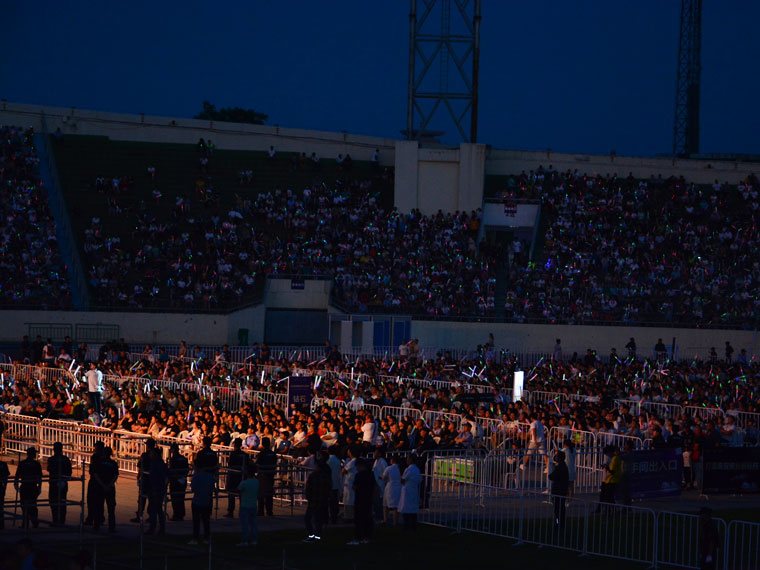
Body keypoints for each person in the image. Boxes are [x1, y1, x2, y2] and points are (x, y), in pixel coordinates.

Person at [303, 450, 331, 543]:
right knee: (318, 519)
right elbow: (328, 487)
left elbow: (308, 488)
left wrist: (308, 497)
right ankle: (318, 536)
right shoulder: (326, 476)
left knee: (308, 518)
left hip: (313, 500)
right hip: (322, 499)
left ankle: (311, 535)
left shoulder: (313, 476)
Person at [348, 458, 375, 545]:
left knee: (359, 519)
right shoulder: (370, 474)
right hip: (368, 498)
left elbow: (355, 487)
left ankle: (358, 537)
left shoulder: (359, 475)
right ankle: (367, 537)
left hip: (360, 499)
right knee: (367, 518)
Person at [15, 447, 43, 529]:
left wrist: (15, 484)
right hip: (32, 486)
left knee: (24, 506)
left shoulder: (22, 463)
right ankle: (34, 522)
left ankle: (26, 523)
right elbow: (39, 477)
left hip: (25, 486)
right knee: (32, 505)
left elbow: (17, 475)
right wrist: (39, 487)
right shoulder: (36, 464)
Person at [93, 447, 118, 533]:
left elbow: (95, 474)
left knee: (98, 507)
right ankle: (111, 526)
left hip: (100, 487)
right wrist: (109, 485)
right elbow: (115, 476)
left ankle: (96, 525)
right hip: (110, 488)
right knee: (111, 508)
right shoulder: (113, 463)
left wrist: (102, 485)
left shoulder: (99, 462)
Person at [47, 441, 73, 525]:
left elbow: (49, 469)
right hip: (63, 482)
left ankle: (55, 520)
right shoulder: (66, 459)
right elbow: (69, 472)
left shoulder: (51, 459)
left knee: (53, 501)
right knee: (62, 501)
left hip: (54, 482)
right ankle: (62, 520)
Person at [131, 438, 156, 523]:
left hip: (145, 478)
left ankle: (140, 515)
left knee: (142, 498)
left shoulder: (145, 455)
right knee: (151, 498)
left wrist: (138, 477)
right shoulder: (156, 455)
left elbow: (140, 467)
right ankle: (151, 516)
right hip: (153, 479)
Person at [189, 465, 215, 545]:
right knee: (206, 521)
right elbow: (212, 487)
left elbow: (193, 489)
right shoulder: (209, 477)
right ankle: (206, 538)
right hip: (206, 501)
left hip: (197, 501)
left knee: (196, 521)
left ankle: (195, 538)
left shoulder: (196, 477)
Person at [146, 447, 169, 535]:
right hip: (159, 489)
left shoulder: (155, 465)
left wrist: (156, 489)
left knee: (154, 509)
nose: (150, 455)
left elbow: (155, 478)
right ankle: (160, 528)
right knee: (158, 509)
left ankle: (154, 528)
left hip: (155, 489)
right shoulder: (162, 464)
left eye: (152, 454)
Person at [398, 455, 421, 531]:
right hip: (414, 490)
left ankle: (407, 526)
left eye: (408, 459)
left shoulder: (408, 469)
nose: (406, 460)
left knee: (406, 509)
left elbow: (403, 479)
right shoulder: (417, 469)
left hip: (407, 490)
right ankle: (414, 526)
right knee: (413, 509)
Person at [84, 441, 105, 525]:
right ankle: (100, 518)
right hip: (103, 481)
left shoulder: (96, 457)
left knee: (91, 500)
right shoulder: (104, 458)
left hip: (95, 481)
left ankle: (91, 518)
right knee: (100, 501)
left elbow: (93, 470)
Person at [548, 451, 569, 529]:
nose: (555, 458)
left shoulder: (559, 467)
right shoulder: (564, 466)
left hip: (558, 491)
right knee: (561, 509)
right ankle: (561, 524)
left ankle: (557, 523)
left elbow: (552, 476)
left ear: (559, 458)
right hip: (563, 491)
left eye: (556, 456)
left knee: (557, 510)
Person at [225, 439, 246, 518]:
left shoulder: (233, 454)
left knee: (231, 494)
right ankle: (242, 511)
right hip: (241, 476)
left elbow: (230, 463)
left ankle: (230, 512)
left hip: (234, 476)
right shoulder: (244, 454)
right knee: (241, 495)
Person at [168, 443, 189, 521]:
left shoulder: (174, 459)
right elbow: (187, 469)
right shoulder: (183, 458)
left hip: (175, 481)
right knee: (181, 498)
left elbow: (172, 470)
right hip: (182, 480)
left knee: (175, 498)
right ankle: (181, 514)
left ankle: (176, 514)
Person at [256, 438, 277, 517]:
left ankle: (261, 511)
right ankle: (269, 511)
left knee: (261, 494)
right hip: (270, 475)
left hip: (263, 475)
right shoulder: (273, 453)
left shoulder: (262, 453)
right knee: (269, 494)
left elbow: (258, 463)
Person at [598, 445, 622, 510]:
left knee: (609, 496)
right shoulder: (613, 458)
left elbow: (613, 471)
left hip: (611, 480)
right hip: (608, 480)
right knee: (607, 496)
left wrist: (607, 468)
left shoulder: (615, 459)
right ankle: (606, 509)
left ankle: (610, 510)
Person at [382, 455, 402, 525]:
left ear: (392, 460)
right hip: (398, 487)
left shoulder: (388, 468)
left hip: (390, 487)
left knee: (385, 505)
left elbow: (384, 478)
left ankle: (385, 519)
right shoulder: (400, 468)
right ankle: (395, 521)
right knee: (396, 506)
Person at [342, 446, 358, 522]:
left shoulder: (352, 461)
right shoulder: (354, 461)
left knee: (349, 500)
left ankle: (349, 516)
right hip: (352, 482)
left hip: (349, 482)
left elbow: (344, 470)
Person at [372, 449, 388, 521]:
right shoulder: (376, 461)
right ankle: (377, 514)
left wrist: (381, 478)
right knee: (376, 500)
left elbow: (386, 472)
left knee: (380, 500)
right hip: (376, 483)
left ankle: (380, 515)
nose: (374, 454)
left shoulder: (383, 462)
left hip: (381, 483)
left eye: (375, 453)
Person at [326, 446, 341, 524]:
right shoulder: (338, 461)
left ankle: (329, 518)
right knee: (334, 503)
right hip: (336, 483)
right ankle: (334, 517)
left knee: (329, 502)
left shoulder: (328, 460)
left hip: (329, 484)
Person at [0, 455, 10, 529]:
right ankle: (1, 524)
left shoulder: (3, 464)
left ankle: (1, 523)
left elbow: (6, 476)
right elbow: (6, 476)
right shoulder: (3, 464)